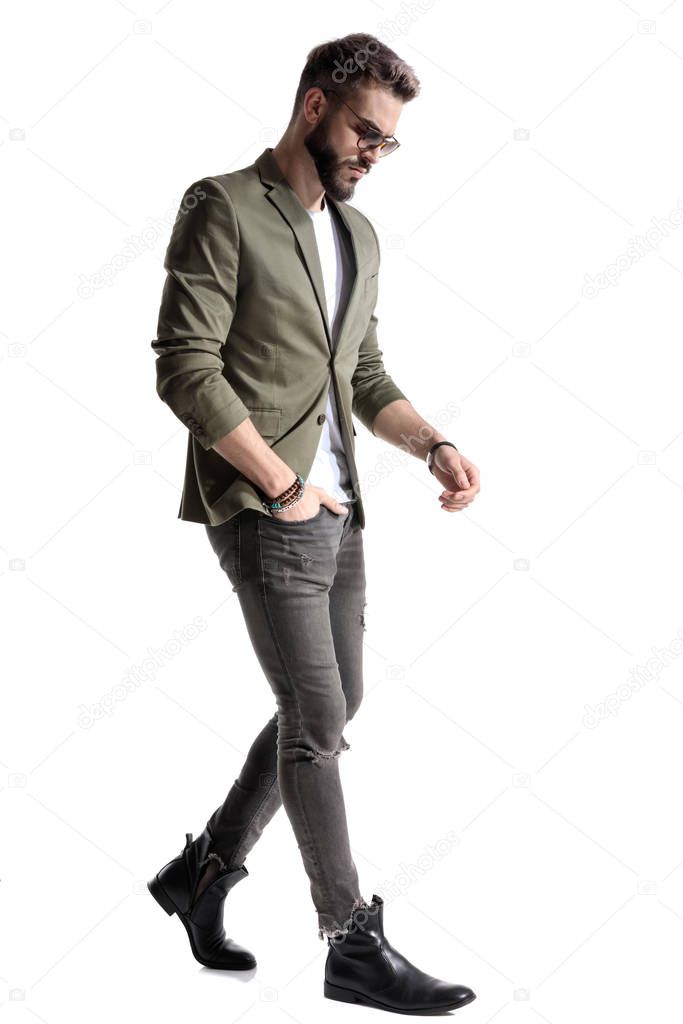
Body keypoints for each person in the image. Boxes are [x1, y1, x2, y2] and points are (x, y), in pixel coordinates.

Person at [147, 31, 481, 1013]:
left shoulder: (357, 237)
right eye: (362, 132)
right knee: (315, 725)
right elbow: (184, 364)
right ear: (312, 107)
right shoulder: (223, 206)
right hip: (264, 506)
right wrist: (282, 484)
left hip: (342, 515)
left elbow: (363, 375)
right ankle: (349, 940)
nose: (371, 154)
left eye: (386, 144)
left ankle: (201, 873)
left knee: (332, 707)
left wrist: (431, 444)